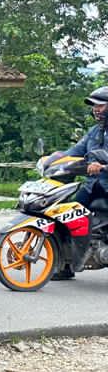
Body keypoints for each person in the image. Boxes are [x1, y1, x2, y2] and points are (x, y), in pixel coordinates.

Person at [55, 85, 108, 280]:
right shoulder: (94, 132)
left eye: (100, 105)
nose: (96, 109)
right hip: (92, 187)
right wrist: (55, 158)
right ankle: (65, 264)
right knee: (64, 217)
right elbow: (75, 152)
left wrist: (103, 166)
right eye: (94, 106)